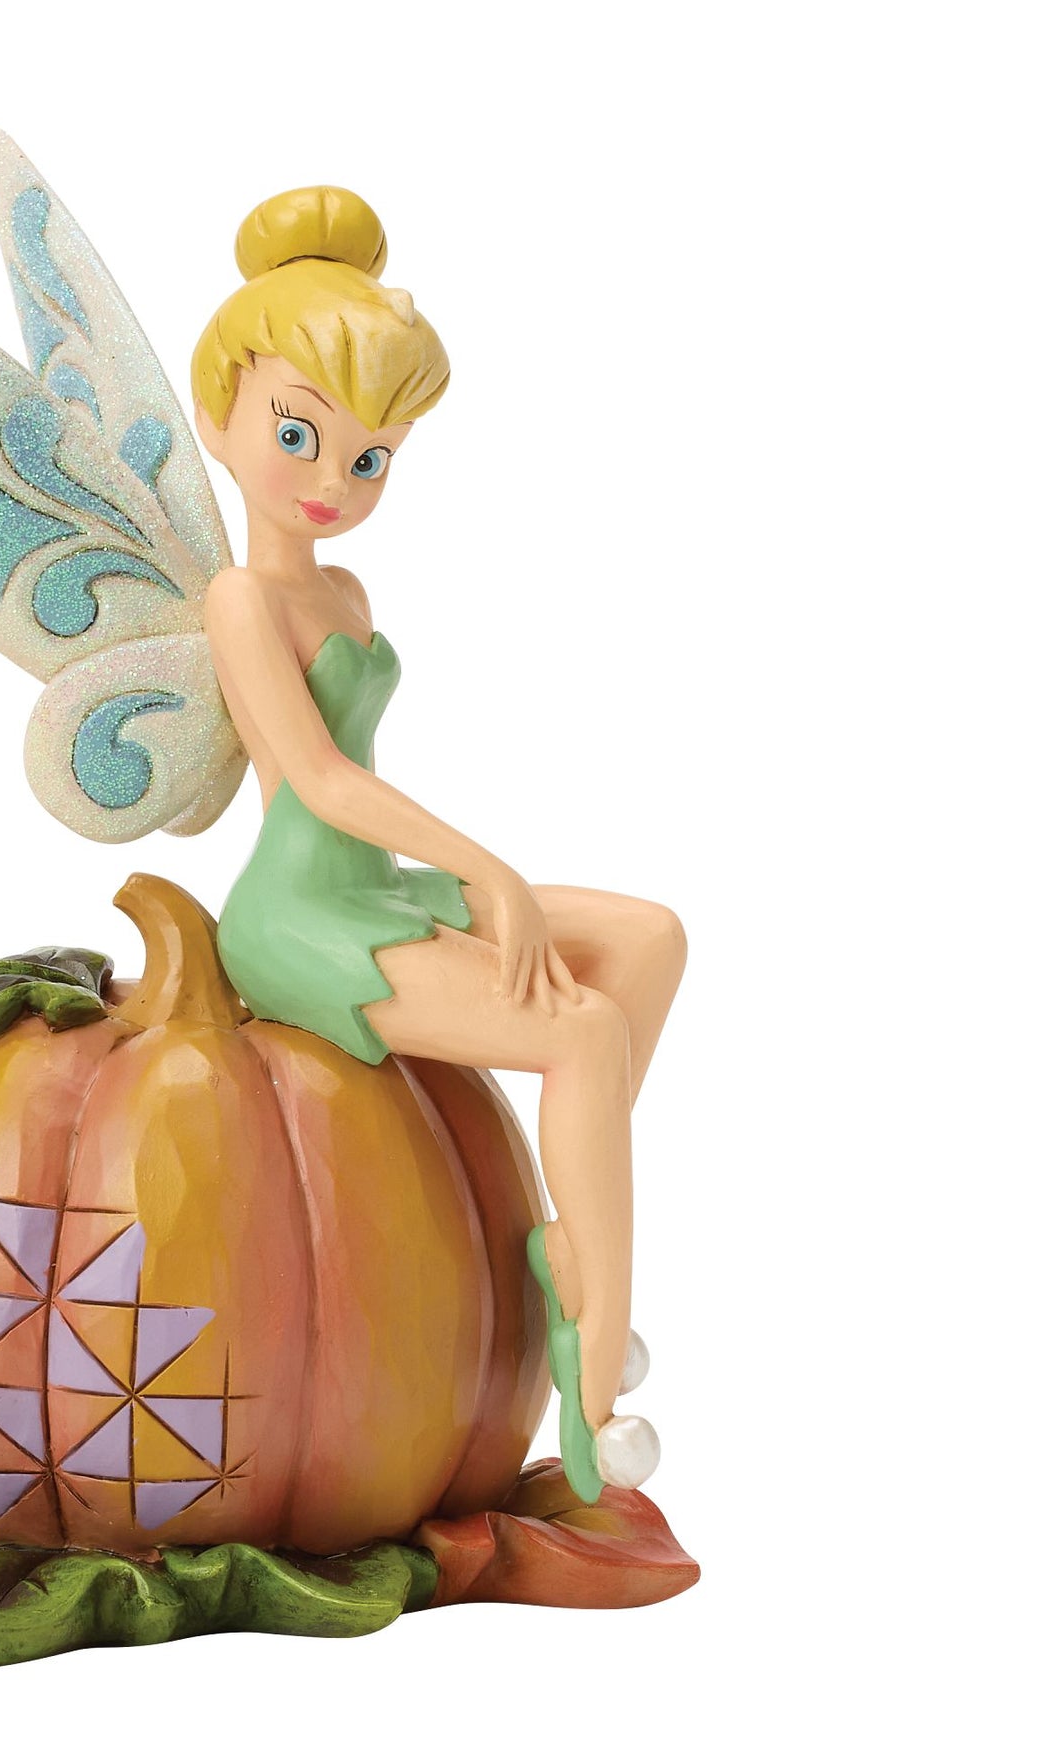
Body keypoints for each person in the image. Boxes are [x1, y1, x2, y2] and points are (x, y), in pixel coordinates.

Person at [196, 187, 686, 1497]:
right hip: (297, 917)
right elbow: (316, 779)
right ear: (219, 413)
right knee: (582, 1031)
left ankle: (575, 1229)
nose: (331, 484)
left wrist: (469, 877)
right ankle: (593, 1360)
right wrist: (484, 868)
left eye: (370, 460)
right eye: (298, 435)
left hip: (375, 889)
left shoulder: (346, 588)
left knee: (646, 939)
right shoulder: (240, 599)